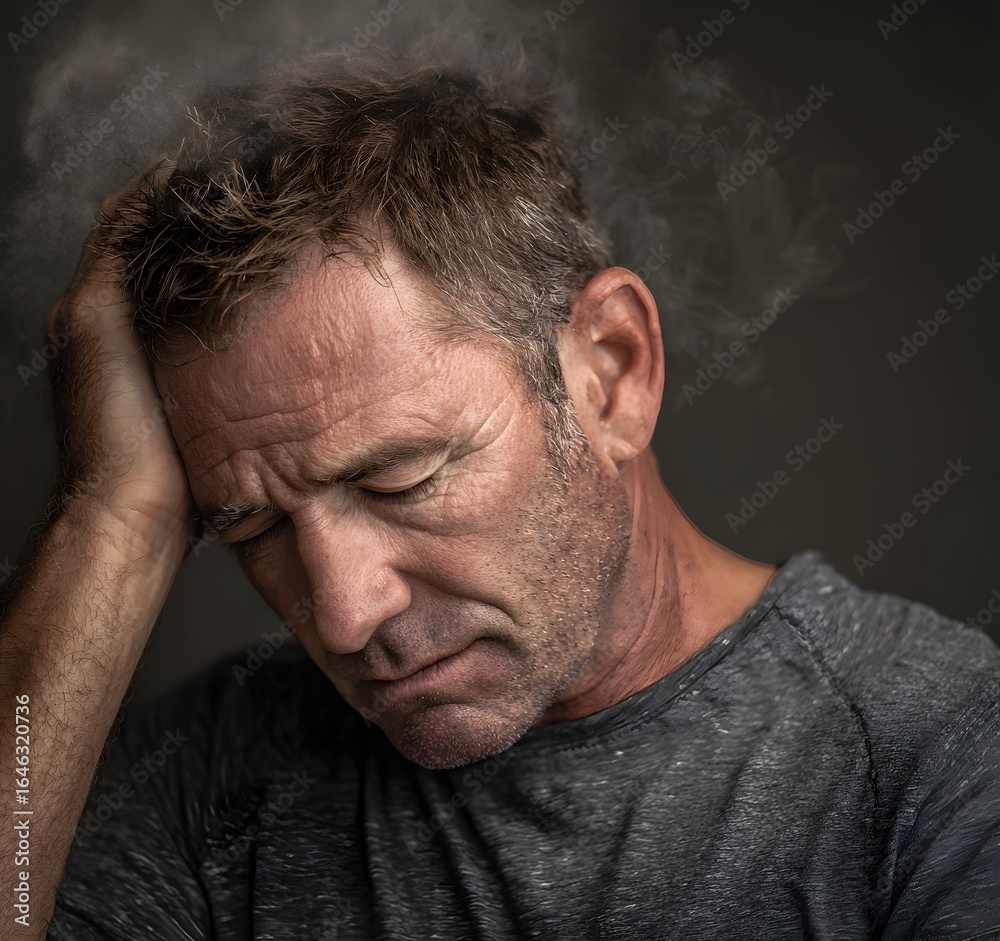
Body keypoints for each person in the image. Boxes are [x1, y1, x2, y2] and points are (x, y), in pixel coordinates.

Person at [1, 60, 998, 941]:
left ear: (611, 372)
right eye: (252, 526)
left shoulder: (936, 751)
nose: (345, 613)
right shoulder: (204, 776)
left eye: (399, 475)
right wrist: (108, 520)